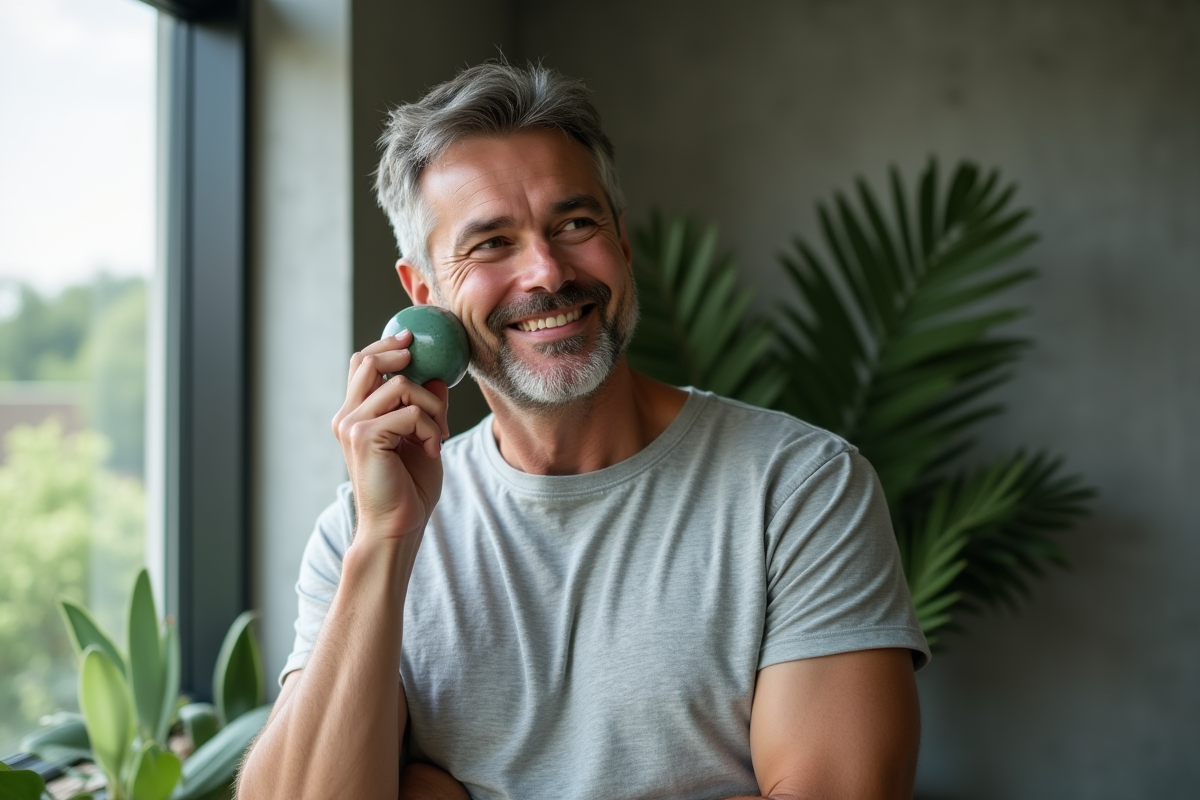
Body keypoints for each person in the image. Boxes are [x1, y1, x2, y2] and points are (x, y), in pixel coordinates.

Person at [238, 62, 930, 800]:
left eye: (575, 224)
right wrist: (384, 543)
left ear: (622, 245)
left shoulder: (799, 488)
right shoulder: (360, 530)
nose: (545, 271)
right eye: (491, 244)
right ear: (422, 296)